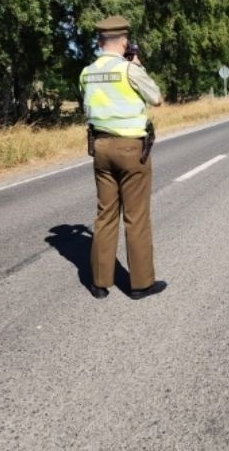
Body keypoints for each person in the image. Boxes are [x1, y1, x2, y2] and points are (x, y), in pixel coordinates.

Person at [79, 15, 168, 299]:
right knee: (136, 216)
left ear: (99, 42)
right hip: (130, 147)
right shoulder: (128, 70)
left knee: (105, 215)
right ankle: (141, 283)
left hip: (100, 147)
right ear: (125, 42)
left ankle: (100, 282)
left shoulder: (87, 72)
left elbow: (87, 103)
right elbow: (156, 97)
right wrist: (137, 66)